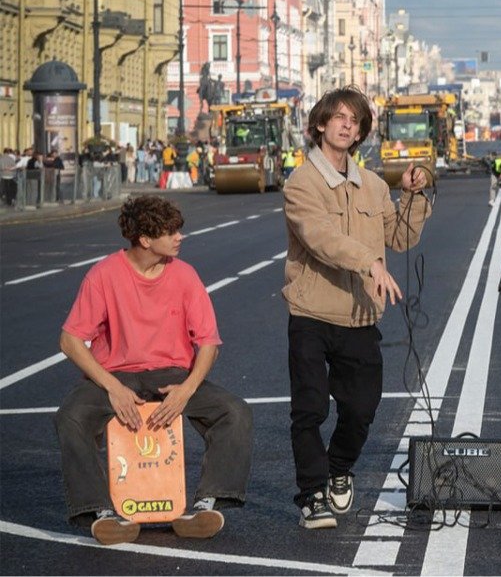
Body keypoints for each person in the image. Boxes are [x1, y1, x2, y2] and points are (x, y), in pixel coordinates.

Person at [54, 195, 252, 545]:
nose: (180, 237)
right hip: (116, 375)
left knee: (234, 412)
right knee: (70, 416)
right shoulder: (104, 275)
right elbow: (70, 340)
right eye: (171, 231)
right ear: (145, 239)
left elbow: (209, 344)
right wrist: (112, 387)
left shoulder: (185, 275)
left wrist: (187, 389)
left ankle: (207, 505)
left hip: (172, 373)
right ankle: (100, 512)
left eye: (179, 229)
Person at [282, 87, 432, 530]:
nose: (348, 125)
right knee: (310, 409)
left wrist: (414, 197)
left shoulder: (372, 184)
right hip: (311, 312)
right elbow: (321, 238)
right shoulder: (301, 183)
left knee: (361, 408)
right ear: (320, 125)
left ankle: (339, 468)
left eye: (356, 120)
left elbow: (400, 237)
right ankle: (311, 495)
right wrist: (369, 261)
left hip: (362, 314)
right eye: (340, 118)